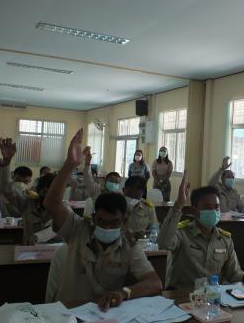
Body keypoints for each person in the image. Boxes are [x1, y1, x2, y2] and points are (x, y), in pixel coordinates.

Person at [44, 129, 162, 309]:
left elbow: (155, 283)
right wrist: (69, 165)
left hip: (104, 313)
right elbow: (52, 203)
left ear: (124, 219)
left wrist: (125, 292)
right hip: (69, 312)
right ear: (93, 218)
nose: (107, 227)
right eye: (101, 221)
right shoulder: (79, 229)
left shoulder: (129, 245)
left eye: (113, 222)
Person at [158, 172, 244, 290]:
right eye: (207, 207)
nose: (213, 211)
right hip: (181, 297)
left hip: (211, 299)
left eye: (216, 207)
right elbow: (163, 244)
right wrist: (178, 205)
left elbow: (233, 273)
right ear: (194, 210)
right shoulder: (182, 233)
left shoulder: (224, 239)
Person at [0, 137, 55, 245]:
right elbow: (6, 189)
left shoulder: (62, 207)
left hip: (52, 254)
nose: (55, 198)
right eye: (49, 193)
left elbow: (56, 228)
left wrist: (37, 237)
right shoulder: (27, 203)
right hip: (27, 253)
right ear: (42, 192)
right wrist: (7, 162)